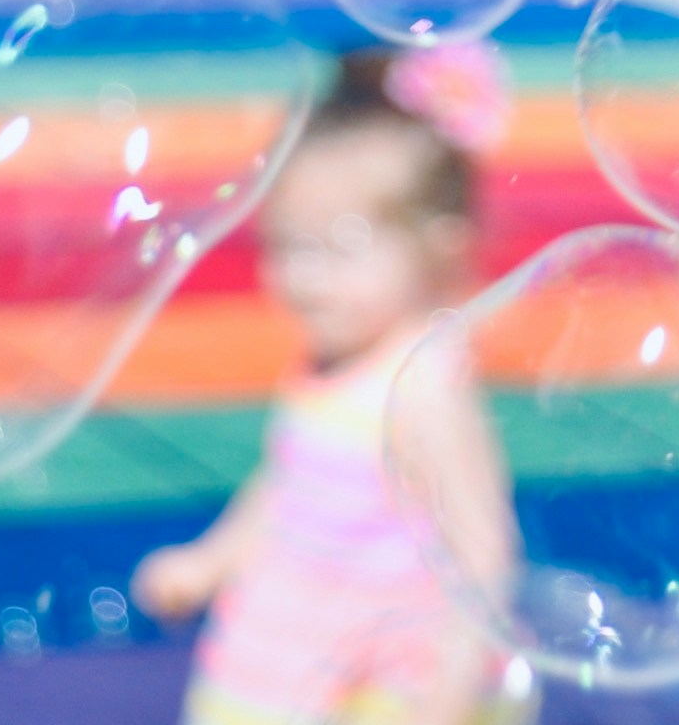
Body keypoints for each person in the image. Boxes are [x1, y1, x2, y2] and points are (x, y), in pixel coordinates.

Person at [137, 43, 521, 725]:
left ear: (439, 248)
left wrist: (449, 694)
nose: (304, 276)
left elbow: (483, 552)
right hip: (292, 643)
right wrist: (212, 557)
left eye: (339, 249)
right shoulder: (328, 359)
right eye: (288, 244)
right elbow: (285, 486)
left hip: (383, 676)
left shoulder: (425, 387)